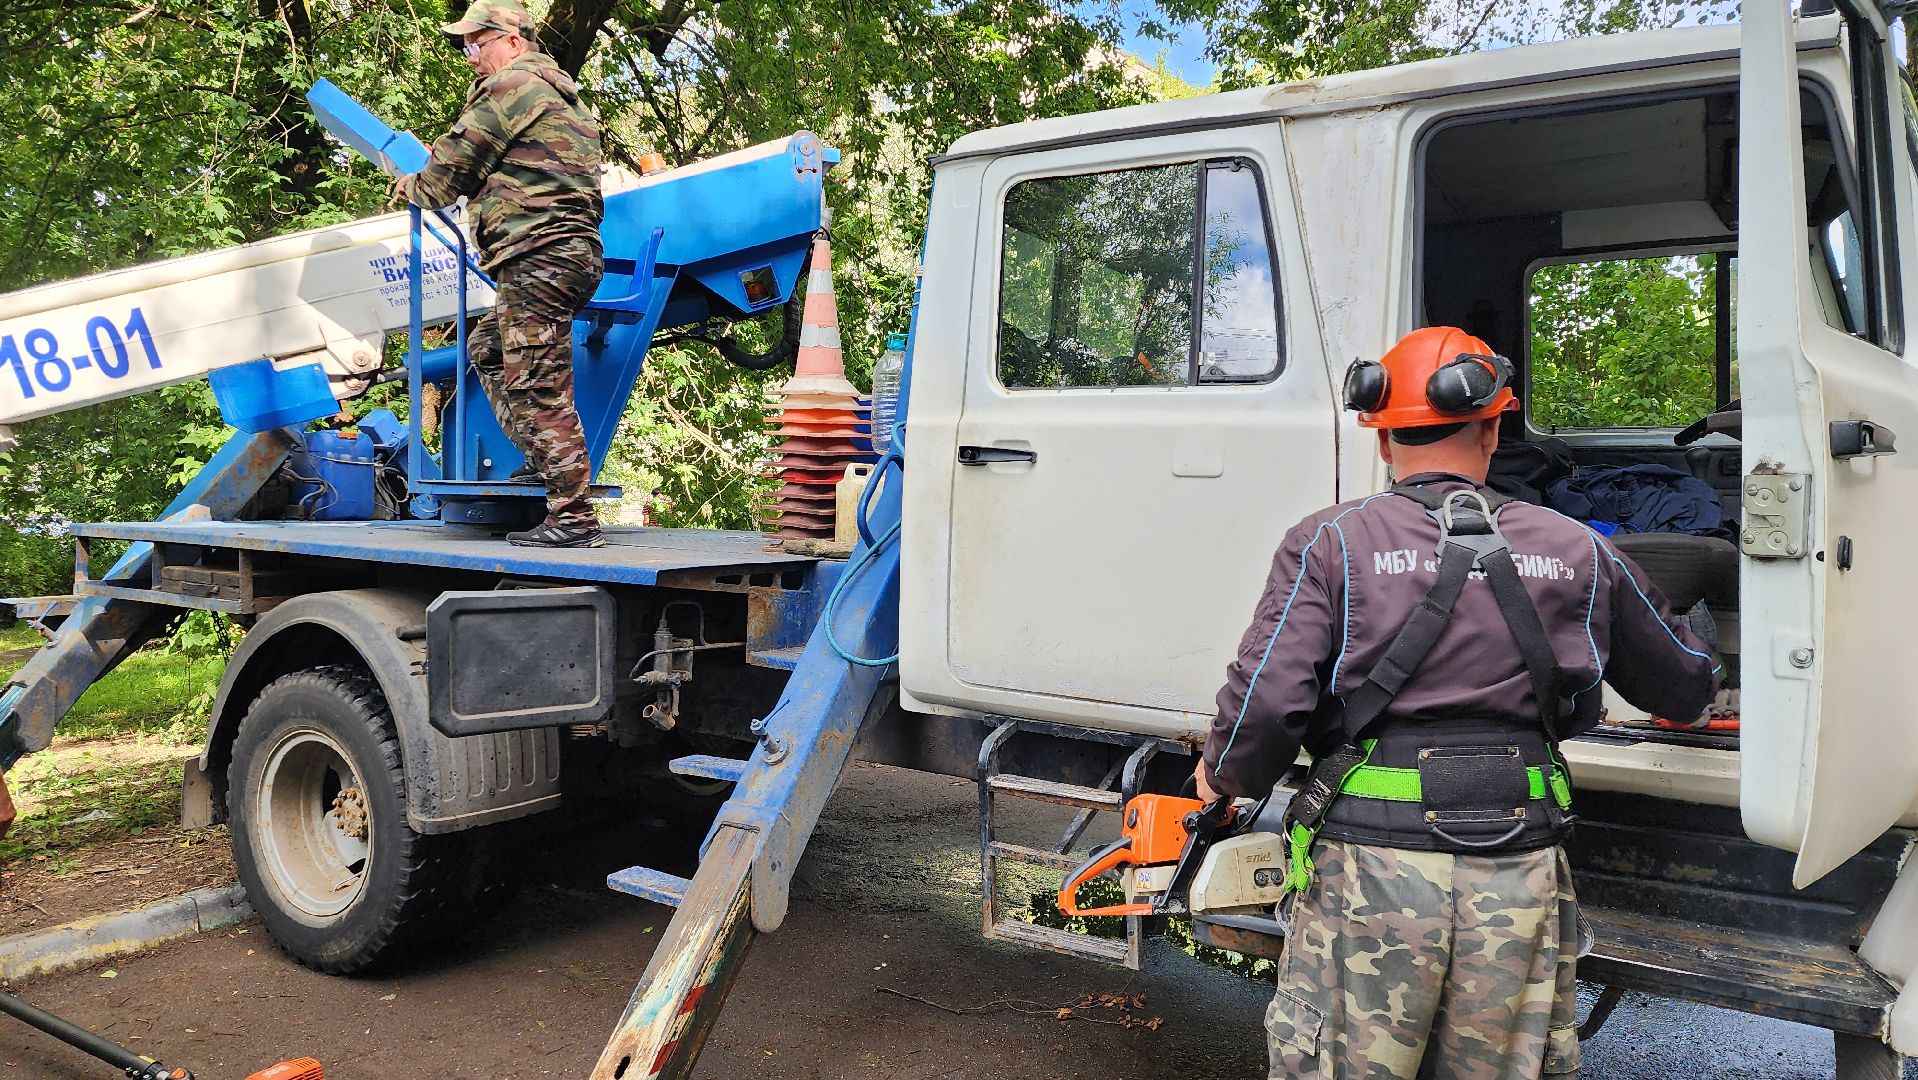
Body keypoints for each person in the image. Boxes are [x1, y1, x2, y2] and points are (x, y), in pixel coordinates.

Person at [1196, 326, 1719, 1079]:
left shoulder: (1331, 542)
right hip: (1520, 872)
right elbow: (1685, 684)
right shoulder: (1578, 548)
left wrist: (1223, 775)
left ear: (1381, 440)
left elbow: (1266, 706)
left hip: (1371, 875)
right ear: (1495, 428)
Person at [395, 0, 607, 548]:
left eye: (476, 43)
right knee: (489, 345)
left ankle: (574, 516)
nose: (470, 57)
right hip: (564, 256)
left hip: (540, 254)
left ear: (513, 41)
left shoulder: (513, 87)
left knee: (536, 381)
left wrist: (411, 186)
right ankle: (545, 464)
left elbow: (449, 172)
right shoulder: (560, 94)